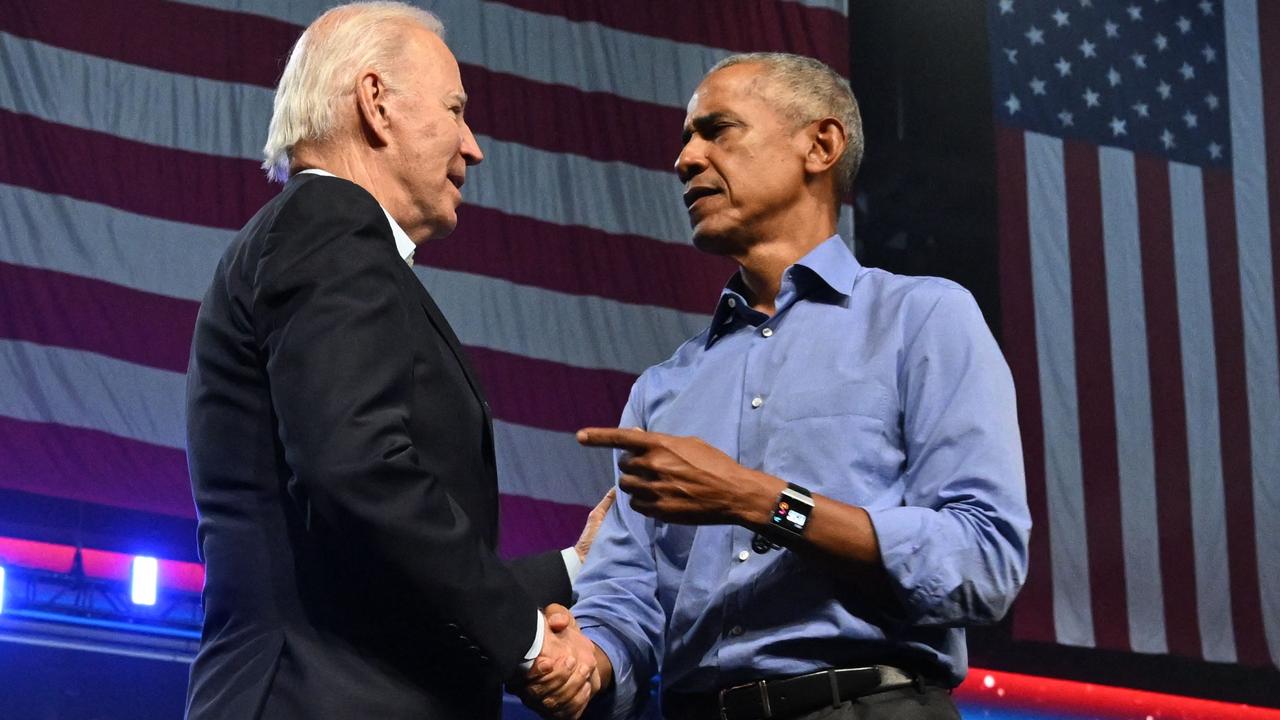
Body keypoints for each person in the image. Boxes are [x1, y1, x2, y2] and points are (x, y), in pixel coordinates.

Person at [525, 53, 1032, 720]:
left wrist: (764, 503)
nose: (686, 159)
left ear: (819, 145)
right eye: (685, 139)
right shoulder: (661, 391)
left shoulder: (924, 321)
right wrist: (584, 661)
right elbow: (624, 596)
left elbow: (983, 560)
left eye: (717, 130)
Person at [184, 4, 604, 718]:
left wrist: (575, 570)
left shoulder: (324, 241)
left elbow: (369, 576)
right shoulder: (332, 224)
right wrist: (533, 644)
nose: (474, 147)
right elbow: (358, 470)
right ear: (376, 103)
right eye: (456, 109)